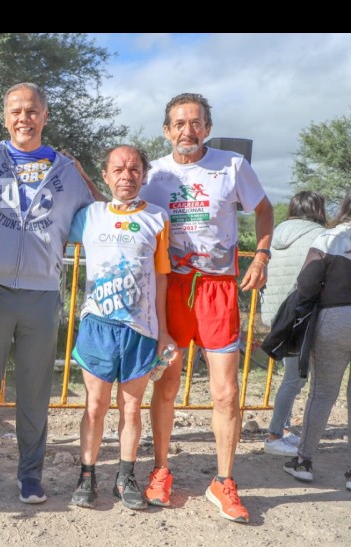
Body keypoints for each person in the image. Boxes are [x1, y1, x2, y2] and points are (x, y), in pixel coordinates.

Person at [0, 82, 96, 504]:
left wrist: (87, 176)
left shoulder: (67, 171)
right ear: (4, 117)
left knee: (34, 389)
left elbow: (104, 216)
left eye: (31, 111)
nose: (23, 118)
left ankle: (30, 473)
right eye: (15, 111)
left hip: (41, 295)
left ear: (44, 116)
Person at [141, 92, 274, 523]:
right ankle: (161, 470)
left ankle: (223, 480)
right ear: (167, 131)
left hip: (218, 290)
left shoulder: (231, 165)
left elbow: (264, 209)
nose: (188, 130)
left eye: (196, 122)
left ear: (208, 128)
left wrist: (261, 256)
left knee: (226, 392)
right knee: (166, 386)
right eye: (179, 123)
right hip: (170, 289)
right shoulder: (153, 174)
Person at [68, 145, 173, 511]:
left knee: (131, 409)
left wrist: (162, 330)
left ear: (143, 175)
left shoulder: (157, 218)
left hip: (140, 330)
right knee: (95, 406)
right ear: (106, 175)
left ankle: (125, 477)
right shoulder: (89, 215)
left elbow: (162, 277)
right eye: (118, 169)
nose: (126, 175)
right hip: (97, 326)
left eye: (134, 169)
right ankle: (87, 476)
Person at [281, 189, 351, 492]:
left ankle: (304, 462)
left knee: (322, 394)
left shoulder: (330, 238)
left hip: (335, 319)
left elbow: (306, 282)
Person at [259, 191, 327, 457]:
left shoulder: (275, 233)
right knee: (295, 378)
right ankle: (274, 434)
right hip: (302, 315)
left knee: (292, 374)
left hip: (278, 314)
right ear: (318, 209)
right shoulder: (320, 236)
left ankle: (283, 429)